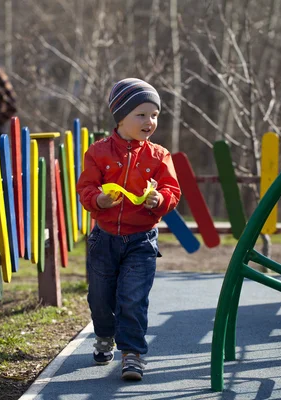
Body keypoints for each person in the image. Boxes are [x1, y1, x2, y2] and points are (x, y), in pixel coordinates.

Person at [76, 78, 181, 381]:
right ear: (120, 117)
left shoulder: (159, 156)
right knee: (100, 298)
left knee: (133, 298)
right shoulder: (98, 152)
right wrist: (99, 199)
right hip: (104, 238)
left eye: (155, 115)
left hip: (141, 241)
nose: (150, 121)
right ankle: (104, 334)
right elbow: (85, 187)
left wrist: (158, 198)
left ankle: (132, 353)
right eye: (142, 114)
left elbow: (172, 191)